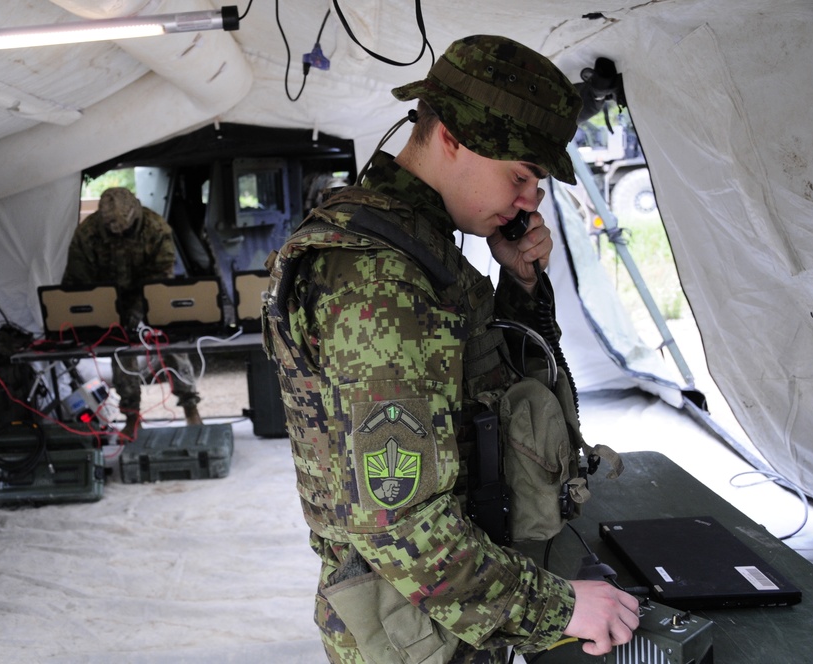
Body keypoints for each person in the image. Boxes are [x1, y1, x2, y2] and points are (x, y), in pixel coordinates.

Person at [264, 35, 639, 663]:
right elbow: (398, 524)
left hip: (442, 608)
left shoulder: (420, 247)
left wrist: (519, 285)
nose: (530, 201)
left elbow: (492, 397)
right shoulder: (378, 279)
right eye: (520, 176)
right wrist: (562, 608)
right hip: (416, 624)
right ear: (452, 139)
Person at [62, 187, 202, 434]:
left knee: (172, 345)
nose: (117, 232)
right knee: (121, 354)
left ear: (136, 211)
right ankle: (131, 417)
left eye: (123, 227)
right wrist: (96, 309)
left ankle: (190, 406)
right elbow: (79, 278)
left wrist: (140, 307)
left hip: (151, 294)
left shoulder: (156, 229)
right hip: (108, 301)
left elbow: (162, 274)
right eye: (111, 227)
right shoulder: (88, 233)